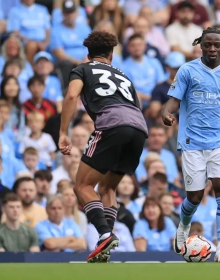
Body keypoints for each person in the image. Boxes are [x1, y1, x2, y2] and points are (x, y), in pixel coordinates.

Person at [161, 27, 220, 262]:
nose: (212, 49)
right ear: (200, 45)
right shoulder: (187, 71)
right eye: (208, 44)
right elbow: (174, 100)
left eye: (216, 45)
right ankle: (183, 225)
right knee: (194, 197)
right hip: (192, 142)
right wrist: (165, 113)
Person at [58, 31, 148, 263]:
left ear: (88, 55)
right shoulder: (125, 76)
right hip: (139, 128)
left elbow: (71, 96)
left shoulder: (82, 69)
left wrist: (62, 132)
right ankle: (104, 242)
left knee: (82, 185)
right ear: (111, 55)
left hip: (111, 124)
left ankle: (105, 234)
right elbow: (135, 104)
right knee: (108, 188)